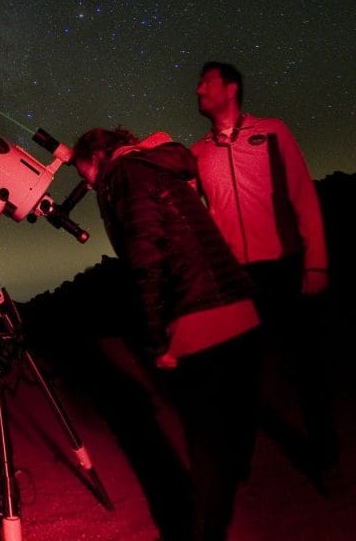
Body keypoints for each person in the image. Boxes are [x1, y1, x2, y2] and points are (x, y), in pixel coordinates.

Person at [72, 127, 262, 541]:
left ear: (98, 155)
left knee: (205, 442)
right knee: (232, 421)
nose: (86, 184)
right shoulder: (155, 164)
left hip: (197, 310)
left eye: (85, 172)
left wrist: (158, 338)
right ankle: (230, 487)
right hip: (239, 304)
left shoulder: (124, 175)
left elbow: (147, 257)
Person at [192, 61, 337, 481]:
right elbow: (187, 207)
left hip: (284, 264)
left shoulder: (272, 132)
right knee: (239, 373)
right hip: (235, 277)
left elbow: (302, 194)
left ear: (230, 88)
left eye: (206, 82)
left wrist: (316, 260)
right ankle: (240, 463)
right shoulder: (197, 153)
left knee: (306, 364)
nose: (198, 89)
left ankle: (324, 456)